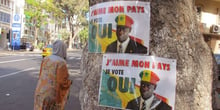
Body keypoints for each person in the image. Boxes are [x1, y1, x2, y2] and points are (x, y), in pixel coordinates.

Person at [34, 40, 72, 110]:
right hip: (52, 95)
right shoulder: (61, 62)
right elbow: (62, 81)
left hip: (40, 91)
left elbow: (40, 75)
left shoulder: (45, 59)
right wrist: (69, 82)